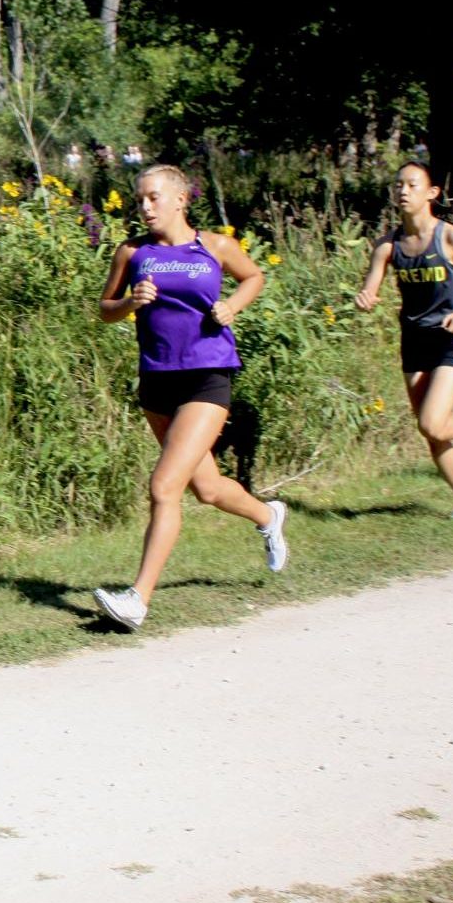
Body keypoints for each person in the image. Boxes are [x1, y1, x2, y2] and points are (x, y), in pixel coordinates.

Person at [92, 164, 290, 631]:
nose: (145, 206)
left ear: (181, 200)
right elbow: (103, 310)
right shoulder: (132, 251)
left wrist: (232, 305)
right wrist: (129, 304)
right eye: (140, 198)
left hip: (207, 378)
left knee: (164, 486)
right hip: (157, 381)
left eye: (154, 198)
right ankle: (268, 514)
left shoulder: (214, 246)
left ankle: (138, 599)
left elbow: (254, 277)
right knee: (207, 488)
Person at [352, 162, 453, 517]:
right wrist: (365, 298)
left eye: (411, 185)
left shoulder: (451, 238)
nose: (403, 191)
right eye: (398, 186)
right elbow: (369, 289)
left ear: (432, 193)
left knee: (432, 422)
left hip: (450, 337)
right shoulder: (388, 246)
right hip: (414, 341)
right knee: (432, 432)